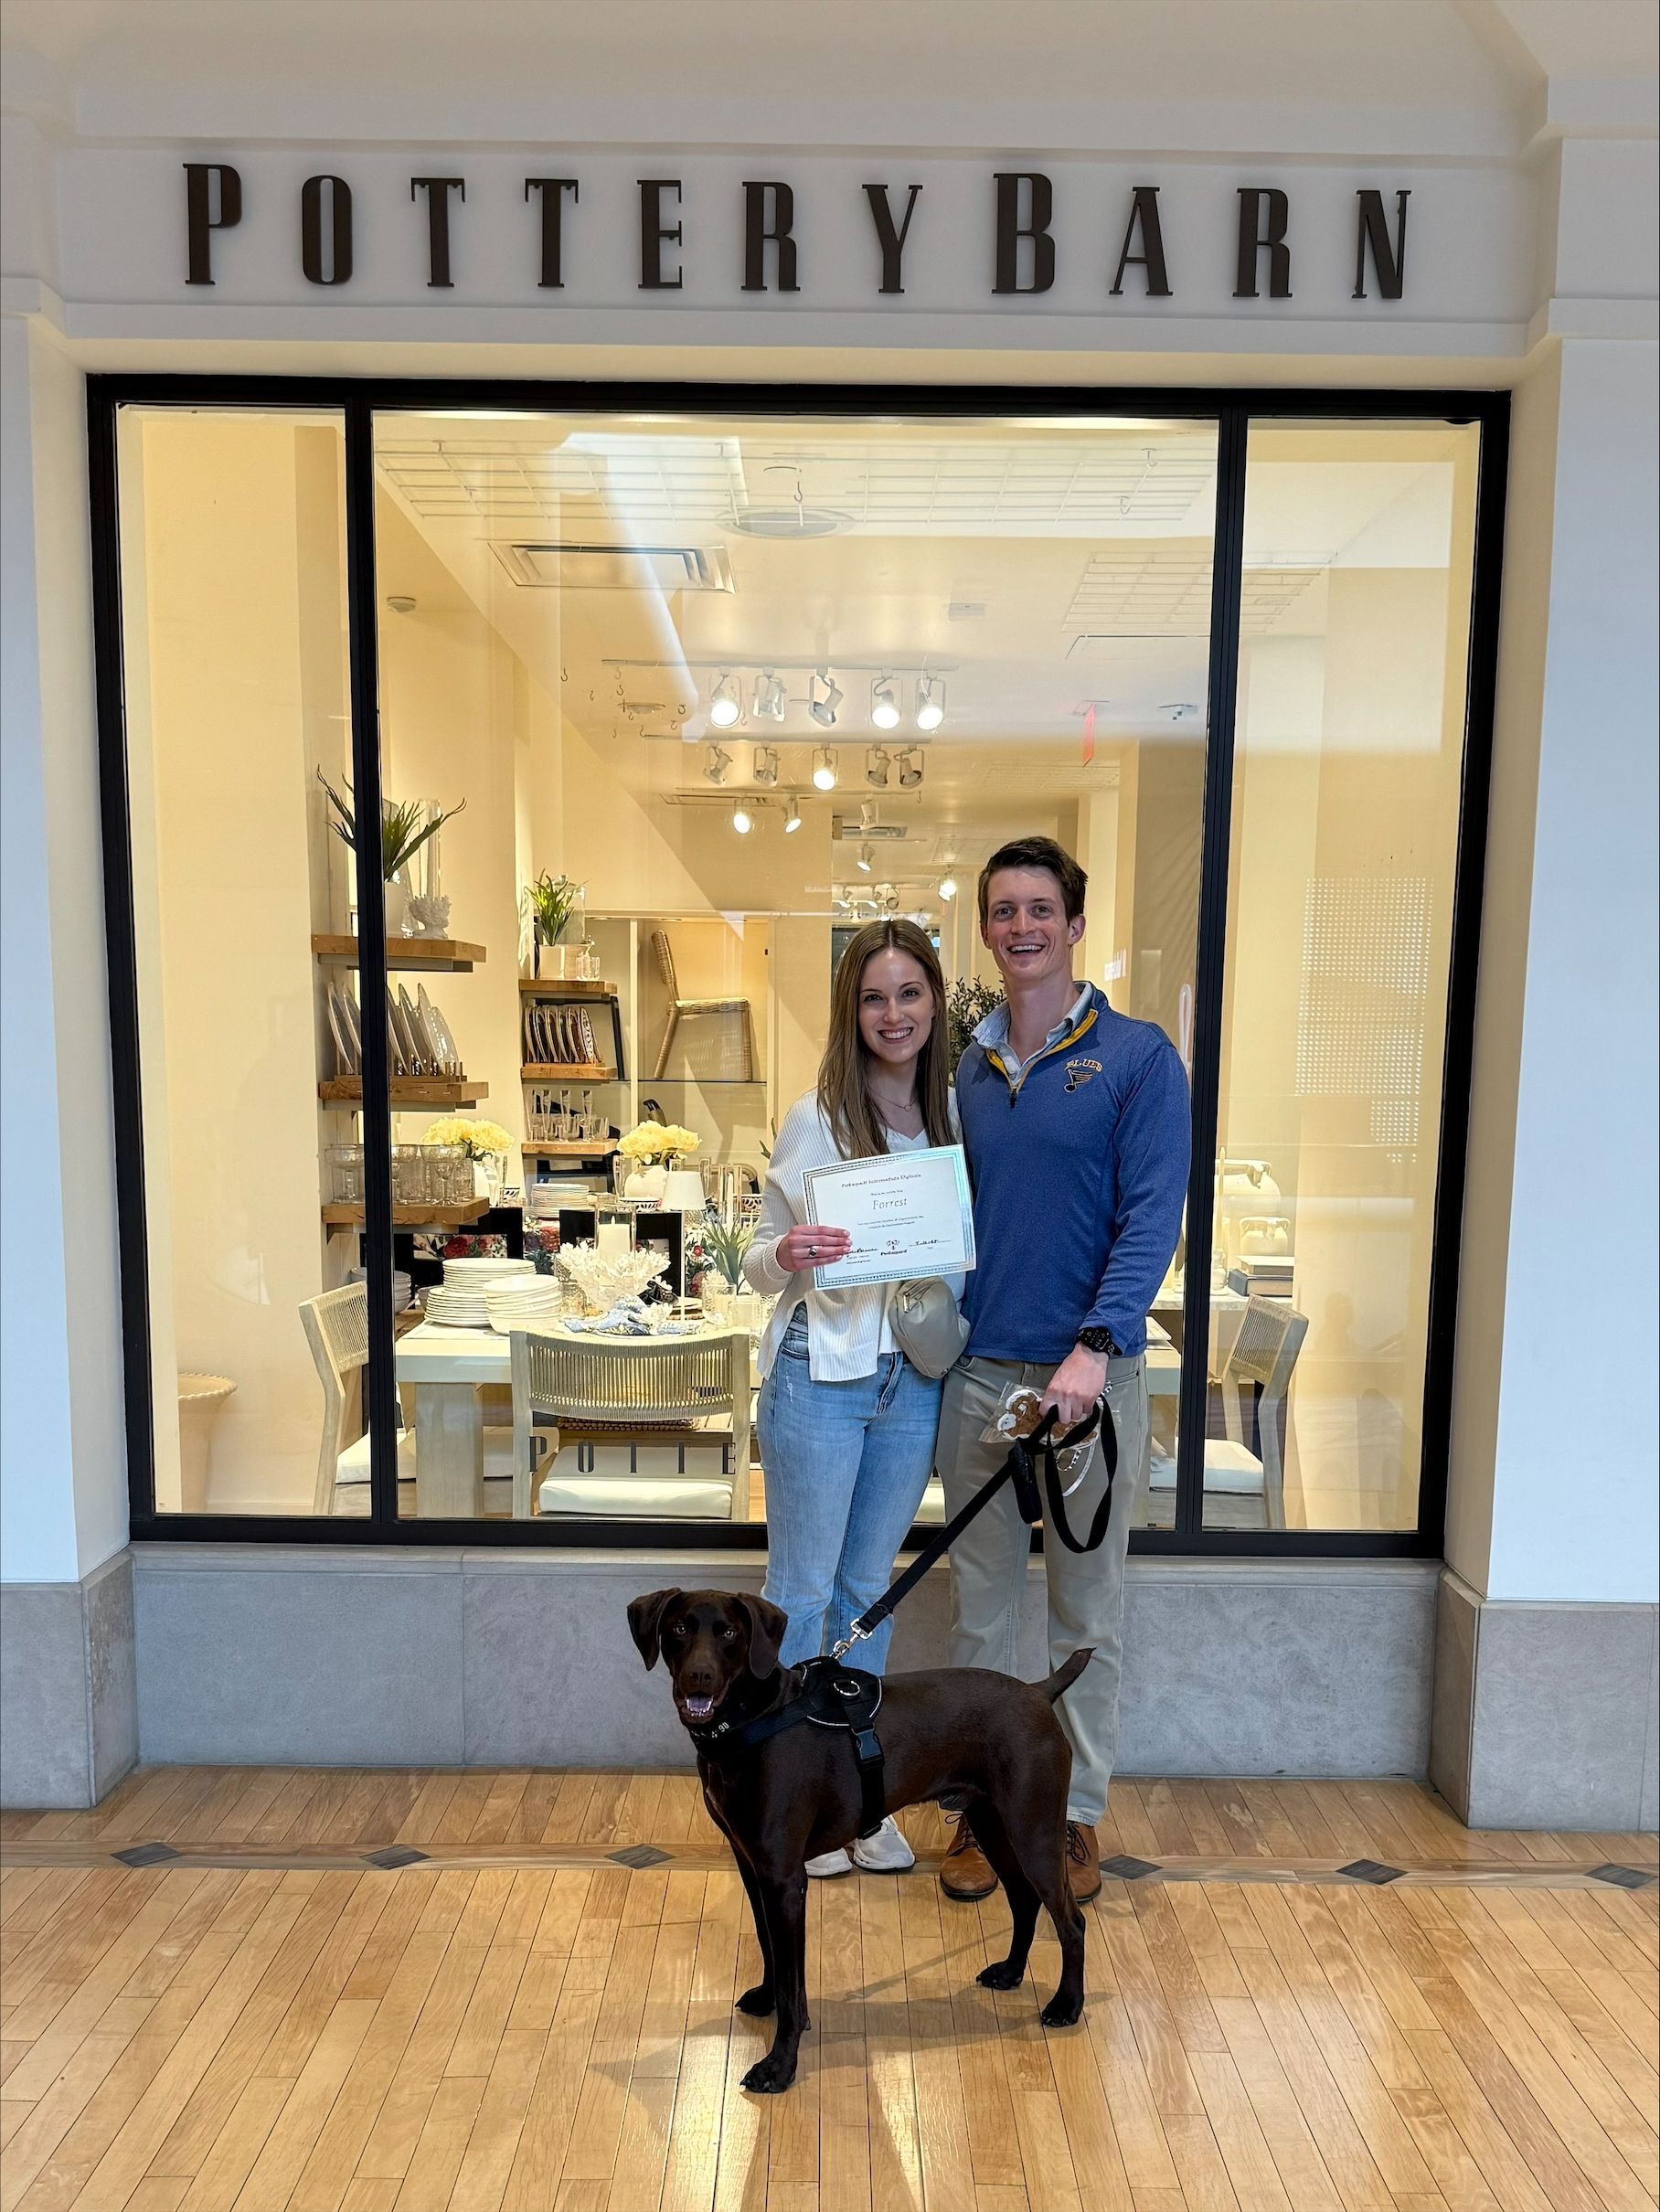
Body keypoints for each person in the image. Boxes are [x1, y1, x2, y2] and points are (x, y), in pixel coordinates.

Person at [935, 836, 1189, 1906]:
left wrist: (1094, 1346)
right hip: (984, 1375)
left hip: (1090, 1383)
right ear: (987, 929)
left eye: (1041, 908)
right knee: (981, 1615)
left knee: (1087, 1610)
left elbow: (1149, 1219)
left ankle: (1074, 1815)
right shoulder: (969, 1069)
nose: (1022, 927)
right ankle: (979, 1807)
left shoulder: (1135, 1057)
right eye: (1004, 911)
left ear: (1075, 925)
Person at [742, 917, 963, 1877]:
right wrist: (784, 1253)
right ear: (851, 1009)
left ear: (933, 1001)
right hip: (819, 1375)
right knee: (798, 1592)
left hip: (910, 1379)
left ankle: (861, 1797)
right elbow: (756, 1256)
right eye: (873, 996)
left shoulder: (957, 1113)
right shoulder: (813, 1116)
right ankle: (788, 1790)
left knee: (867, 1595)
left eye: (908, 993)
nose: (892, 1013)